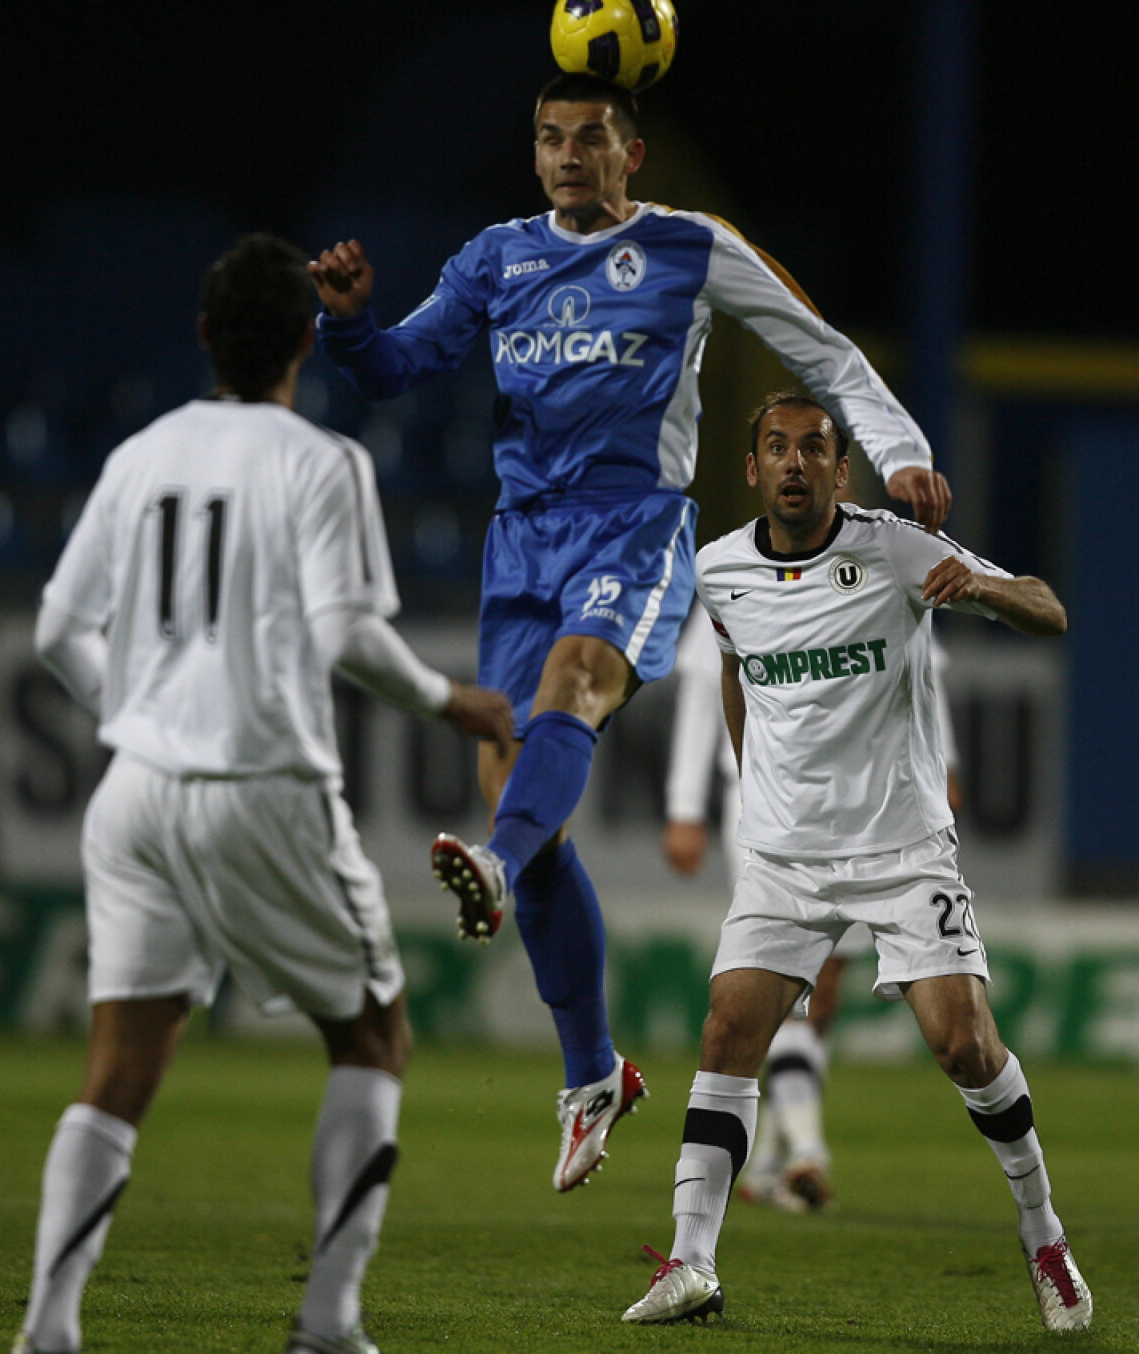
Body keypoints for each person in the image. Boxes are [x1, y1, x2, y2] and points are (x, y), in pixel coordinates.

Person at [309, 71, 952, 1194]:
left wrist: (897, 450)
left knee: (572, 688)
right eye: (550, 137)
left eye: (591, 137)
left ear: (631, 154)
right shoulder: (496, 258)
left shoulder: (690, 247)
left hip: (635, 529)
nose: (568, 154)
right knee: (524, 794)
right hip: (522, 543)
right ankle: (592, 1072)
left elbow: (823, 349)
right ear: (536, 153)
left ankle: (496, 864)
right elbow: (394, 370)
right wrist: (351, 322)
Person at [13, 234, 513, 1354]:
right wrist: (455, 703)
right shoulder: (321, 464)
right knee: (373, 1033)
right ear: (304, 340)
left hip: (135, 793)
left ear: (204, 337)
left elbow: (55, 631)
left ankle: (46, 1329)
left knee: (117, 1069)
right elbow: (349, 635)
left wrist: (138, 710)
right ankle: (328, 1323)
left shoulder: (140, 453)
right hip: (262, 784)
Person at [622, 390, 1090, 1332]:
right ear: (753, 468)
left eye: (814, 449)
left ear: (842, 470)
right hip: (785, 855)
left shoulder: (895, 549)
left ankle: (1044, 1234)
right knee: (727, 1032)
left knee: (964, 1045)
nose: (794, 463)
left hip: (902, 846)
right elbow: (734, 669)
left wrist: (984, 589)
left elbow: (1051, 610)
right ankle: (691, 1263)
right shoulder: (719, 570)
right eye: (777, 447)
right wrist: (755, 786)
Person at [663, 602, 964, 1212]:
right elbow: (705, 686)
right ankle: (805, 1150)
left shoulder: (878, 569)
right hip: (768, 801)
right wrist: (684, 803)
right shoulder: (735, 573)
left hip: (871, 803)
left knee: (823, 994)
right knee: (784, 979)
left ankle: (771, 1160)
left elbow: (918, 665)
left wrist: (943, 760)